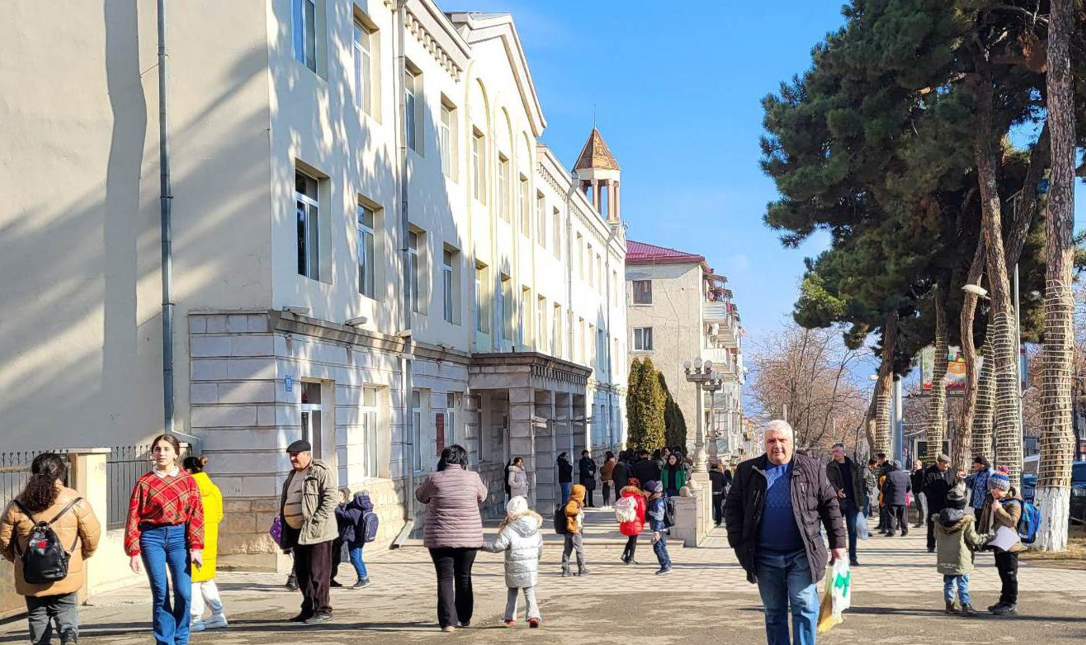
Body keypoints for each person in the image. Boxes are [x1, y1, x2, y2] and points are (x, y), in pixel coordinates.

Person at [724, 420, 845, 645]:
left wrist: (838, 543)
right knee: (774, 612)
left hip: (802, 553)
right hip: (764, 556)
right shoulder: (748, 471)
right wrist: (738, 542)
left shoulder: (811, 468)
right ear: (764, 443)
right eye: (771, 440)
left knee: (804, 605)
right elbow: (732, 508)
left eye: (782, 440)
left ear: (791, 442)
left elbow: (830, 504)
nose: (777, 445)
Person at [1, 453, 100, 645]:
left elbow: (3, 541)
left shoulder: (17, 504)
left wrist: (20, 559)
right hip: (66, 569)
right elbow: (92, 537)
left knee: (37, 613)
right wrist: (77, 557)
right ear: (61, 473)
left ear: (33, 472)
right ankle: (69, 637)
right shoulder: (76, 501)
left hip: (30, 572)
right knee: (66, 608)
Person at [125, 435, 205, 645]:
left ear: (176, 453)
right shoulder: (145, 482)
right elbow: (133, 516)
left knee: (183, 592)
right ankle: (165, 641)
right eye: (157, 449)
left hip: (179, 538)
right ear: (152, 453)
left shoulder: (188, 481)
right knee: (160, 591)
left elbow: (196, 514)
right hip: (151, 538)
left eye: (166, 449)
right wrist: (133, 551)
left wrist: (196, 547)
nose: (161, 453)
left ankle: (181, 638)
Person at [415, 445, 488, 633]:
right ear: (464, 460)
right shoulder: (473, 477)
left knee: (444, 579)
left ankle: (448, 623)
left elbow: (421, 496)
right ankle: (464, 618)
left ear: (443, 459)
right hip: (468, 537)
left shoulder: (434, 478)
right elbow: (482, 496)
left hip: (440, 538)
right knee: (464, 576)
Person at [279, 439, 339, 625]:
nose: (292, 459)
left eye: (295, 455)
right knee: (302, 573)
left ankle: (323, 610)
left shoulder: (319, 471)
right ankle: (308, 609)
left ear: (307, 454)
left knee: (318, 573)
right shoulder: (292, 475)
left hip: (318, 532)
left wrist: (316, 520)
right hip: (297, 532)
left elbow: (331, 498)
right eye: (290, 456)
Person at [482, 496, 543, 628]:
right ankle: (533, 616)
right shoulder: (535, 528)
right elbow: (539, 548)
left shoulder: (509, 529)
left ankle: (510, 618)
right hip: (530, 566)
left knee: (512, 591)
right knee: (529, 591)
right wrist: (536, 561)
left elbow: (497, 547)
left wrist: (481, 545)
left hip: (514, 566)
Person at [182, 456, 227, 632]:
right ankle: (218, 614)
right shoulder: (214, 489)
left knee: (193, 580)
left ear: (187, 470)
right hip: (210, 538)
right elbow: (219, 515)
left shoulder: (188, 489)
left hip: (193, 539)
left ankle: (195, 619)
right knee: (206, 578)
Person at [935, 483, 988, 616]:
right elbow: (973, 539)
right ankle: (966, 605)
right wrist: (986, 538)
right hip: (961, 557)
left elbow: (935, 536)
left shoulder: (938, 520)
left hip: (945, 556)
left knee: (949, 581)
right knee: (963, 582)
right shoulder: (967, 520)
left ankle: (949, 604)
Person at [977, 467, 1024, 616]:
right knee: (1002, 573)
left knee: (1010, 575)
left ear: (1004, 488)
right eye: (991, 488)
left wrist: (998, 510)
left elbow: (1012, 521)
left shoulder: (1013, 503)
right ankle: (1003, 600)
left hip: (1010, 545)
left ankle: (1011, 603)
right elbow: (985, 520)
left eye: (996, 488)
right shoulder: (992, 500)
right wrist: (979, 538)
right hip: (998, 543)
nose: (993, 491)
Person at [825, 443, 865, 566]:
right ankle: (835, 557)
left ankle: (853, 557)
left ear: (843, 452)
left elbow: (858, 485)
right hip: (837, 503)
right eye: (833, 452)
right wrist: (837, 491)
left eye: (837, 451)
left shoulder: (853, 466)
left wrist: (860, 503)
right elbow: (829, 482)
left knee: (852, 530)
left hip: (852, 503)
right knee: (836, 531)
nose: (835, 454)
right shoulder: (830, 466)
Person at [333, 490, 374, 589]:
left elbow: (342, 515)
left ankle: (363, 578)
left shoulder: (355, 510)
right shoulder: (365, 508)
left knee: (355, 559)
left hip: (354, 539)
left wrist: (337, 505)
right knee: (358, 558)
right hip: (360, 538)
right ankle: (364, 578)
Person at [923, 454, 959, 553]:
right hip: (934, 503)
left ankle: (947, 545)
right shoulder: (930, 472)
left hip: (948, 503)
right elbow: (925, 487)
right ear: (939, 463)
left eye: (948, 464)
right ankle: (931, 545)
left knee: (948, 524)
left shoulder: (951, 471)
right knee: (933, 524)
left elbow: (954, 484)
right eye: (945, 464)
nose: (947, 466)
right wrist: (932, 497)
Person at [644, 481, 673, 575]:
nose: (644, 493)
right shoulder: (656, 500)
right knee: (661, 546)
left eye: (646, 491)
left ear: (652, 492)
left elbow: (658, 517)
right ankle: (668, 564)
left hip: (660, 528)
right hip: (662, 527)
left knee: (657, 547)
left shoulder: (657, 502)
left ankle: (665, 566)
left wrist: (656, 531)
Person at [561, 484, 589, 576]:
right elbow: (568, 510)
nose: (584, 495)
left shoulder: (575, 502)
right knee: (579, 549)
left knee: (567, 550)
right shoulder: (572, 503)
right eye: (583, 493)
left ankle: (565, 569)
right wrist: (578, 511)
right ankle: (581, 568)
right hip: (574, 530)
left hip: (571, 530)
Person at [617, 477, 647, 565]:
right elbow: (642, 510)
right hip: (635, 521)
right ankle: (631, 558)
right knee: (633, 540)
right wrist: (643, 520)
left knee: (631, 538)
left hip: (625, 520)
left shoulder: (624, 496)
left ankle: (625, 555)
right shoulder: (639, 497)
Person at [881, 460, 911, 537]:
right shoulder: (906, 475)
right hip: (902, 499)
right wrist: (903, 492)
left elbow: (885, 487)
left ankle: (891, 531)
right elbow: (909, 487)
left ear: (893, 467)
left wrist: (886, 494)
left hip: (892, 500)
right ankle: (904, 530)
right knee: (903, 516)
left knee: (891, 516)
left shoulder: (890, 475)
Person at [965, 456, 993, 521]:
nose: (974, 465)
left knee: (983, 523)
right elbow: (972, 484)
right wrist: (964, 476)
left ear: (982, 464)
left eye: (976, 463)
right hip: (977, 504)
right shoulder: (978, 473)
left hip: (984, 505)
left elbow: (990, 489)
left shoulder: (989, 473)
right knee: (978, 521)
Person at [709, 462, 727, 527]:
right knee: (718, 507)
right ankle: (718, 521)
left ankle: (711, 519)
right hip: (719, 493)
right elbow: (725, 483)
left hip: (710, 493)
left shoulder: (708, 474)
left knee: (710, 507)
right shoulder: (721, 474)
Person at [911, 461, 927, 528]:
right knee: (919, 507)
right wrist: (912, 475)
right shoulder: (916, 472)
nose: (915, 466)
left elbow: (923, 482)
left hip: (921, 492)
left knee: (922, 507)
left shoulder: (922, 472)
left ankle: (923, 522)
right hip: (916, 492)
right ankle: (919, 522)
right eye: (914, 465)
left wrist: (920, 491)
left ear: (920, 465)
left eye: (916, 465)